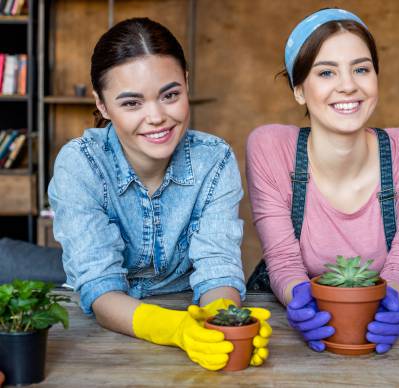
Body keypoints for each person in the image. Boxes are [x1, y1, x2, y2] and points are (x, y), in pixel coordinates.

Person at [48, 17, 271, 371]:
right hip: (103, 331)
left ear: (186, 83)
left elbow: (217, 266)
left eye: (170, 95)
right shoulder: (80, 164)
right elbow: (100, 288)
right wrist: (172, 329)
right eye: (132, 103)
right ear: (102, 106)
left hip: (190, 309)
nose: (157, 117)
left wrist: (226, 322)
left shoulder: (214, 159)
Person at [246, 8, 399, 353]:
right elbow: (283, 260)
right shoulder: (270, 147)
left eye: (361, 69)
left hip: (375, 316)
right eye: (326, 72)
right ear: (299, 89)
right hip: (288, 321)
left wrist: (392, 299)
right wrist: (298, 299)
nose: (348, 86)